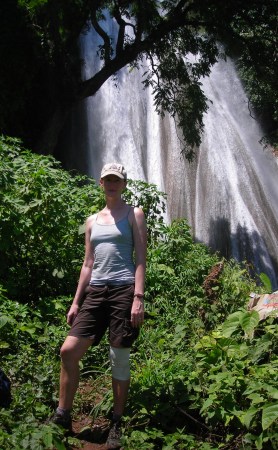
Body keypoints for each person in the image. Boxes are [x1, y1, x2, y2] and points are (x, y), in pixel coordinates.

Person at [52, 163, 147, 449]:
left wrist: (138, 297)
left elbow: (141, 257)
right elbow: (87, 263)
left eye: (116, 180)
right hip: (95, 291)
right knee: (68, 351)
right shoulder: (91, 220)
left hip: (123, 291)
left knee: (118, 356)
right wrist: (76, 302)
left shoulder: (134, 214)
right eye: (107, 179)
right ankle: (63, 414)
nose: (111, 184)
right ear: (100, 183)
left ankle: (116, 422)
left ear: (124, 184)